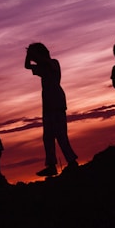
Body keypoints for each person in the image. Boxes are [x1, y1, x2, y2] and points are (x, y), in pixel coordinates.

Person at [25, 42, 79, 177]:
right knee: (48, 137)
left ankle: (72, 161)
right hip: (48, 106)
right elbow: (27, 66)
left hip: (57, 103)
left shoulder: (53, 63)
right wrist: (28, 55)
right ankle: (51, 166)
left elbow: (46, 62)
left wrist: (35, 54)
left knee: (61, 135)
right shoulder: (42, 68)